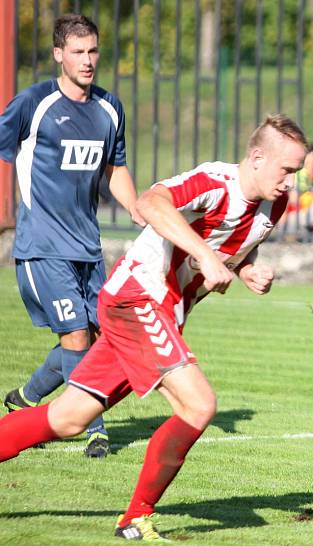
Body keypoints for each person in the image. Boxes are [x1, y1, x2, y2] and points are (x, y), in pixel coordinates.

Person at [0, 113, 308, 541]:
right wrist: (204, 256)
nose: (292, 181)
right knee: (199, 405)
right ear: (257, 157)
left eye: (297, 171)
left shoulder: (272, 205)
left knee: (68, 419)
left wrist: (246, 270)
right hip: (136, 299)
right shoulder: (214, 182)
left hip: (159, 313)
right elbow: (150, 203)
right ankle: (136, 519)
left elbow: (227, 242)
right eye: (287, 169)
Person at [0, 14, 141, 459]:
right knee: (76, 337)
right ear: (59, 54)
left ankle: (26, 396)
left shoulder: (109, 108)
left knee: (99, 335)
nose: (87, 60)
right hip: (42, 247)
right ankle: (93, 427)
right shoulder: (34, 104)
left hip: (87, 246)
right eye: (77, 52)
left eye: (93, 51)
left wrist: (137, 208)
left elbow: (114, 169)